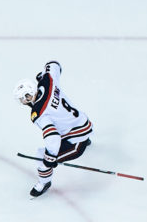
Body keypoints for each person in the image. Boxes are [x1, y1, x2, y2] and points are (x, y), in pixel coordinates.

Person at [13, 61, 93, 198]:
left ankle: (44, 183)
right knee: (62, 119)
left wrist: (50, 158)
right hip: (83, 122)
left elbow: (53, 136)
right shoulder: (48, 82)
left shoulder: (39, 113)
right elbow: (54, 65)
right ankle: (85, 139)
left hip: (76, 142)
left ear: (29, 95)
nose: (22, 102)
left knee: (41, 158)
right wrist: (43, 75)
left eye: (23, 98)